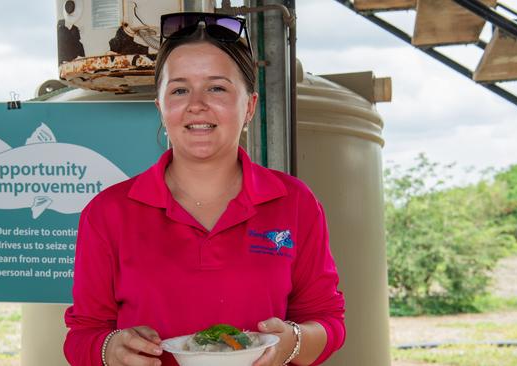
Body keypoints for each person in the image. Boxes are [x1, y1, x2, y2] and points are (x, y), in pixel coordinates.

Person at [64, 11, 345, 366]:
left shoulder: (295, 202)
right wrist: (109, 350)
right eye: (180, 89)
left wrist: (293, 343)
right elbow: (83, 335)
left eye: (216, 88)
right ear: (160, 107)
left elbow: (329, 323)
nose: (196, 104)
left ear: (250, 106)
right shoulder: (108, 212)